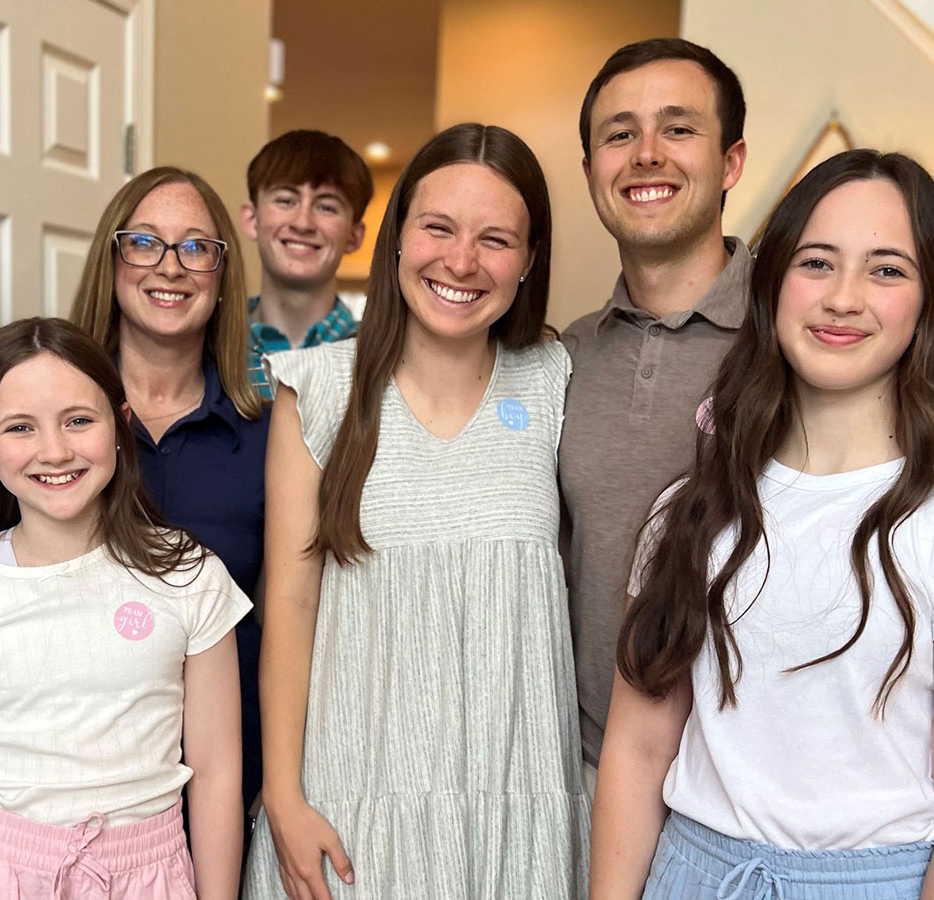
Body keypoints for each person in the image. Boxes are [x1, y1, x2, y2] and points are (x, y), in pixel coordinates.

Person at [559, 39, 934, 788]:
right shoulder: (564, 358)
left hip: (760, 788)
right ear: (591, 172)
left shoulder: (820, 332)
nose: (647, 153)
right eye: (620, 134)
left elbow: (926, 494)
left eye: (678, 129)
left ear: (732, 162)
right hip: (585, 765)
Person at [591, 149, 934, 899]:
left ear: (931, 302)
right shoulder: (690, 508)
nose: (844, 297)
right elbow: (638, 752)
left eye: (887, 269)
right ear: (771, 288)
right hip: (691, 875)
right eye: (817, 262)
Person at [245, 122, 588, 900]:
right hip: (351, 801)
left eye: (496, 239)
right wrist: (285, 795)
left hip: (514, 801)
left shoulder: (555, 379)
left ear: (530, 261)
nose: (461, 261)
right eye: (438, 227)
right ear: (397, 236)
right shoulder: (319, 389)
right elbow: (290, 605)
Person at [0, 317, 246, 900]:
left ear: (120, 426)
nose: (54, 451)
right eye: (20, 428)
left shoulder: (190, 576)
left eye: (79, 421)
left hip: (149, 873)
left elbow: (214, 775)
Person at [68, 167, 268, 822]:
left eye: (195, 248)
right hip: (72, 771)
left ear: (221, 273)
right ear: (114, 257)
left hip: (224, 778)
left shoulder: (266, 438)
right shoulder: (51, 424)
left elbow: (294, 618)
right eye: (145, 242)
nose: (171, 266)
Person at [241, 130, 375, 399]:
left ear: (354, 236)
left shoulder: (378, 359)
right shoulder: (208, 347)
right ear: (251, 220)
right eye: (286, 201)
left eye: (326, 207)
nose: (303, 223)